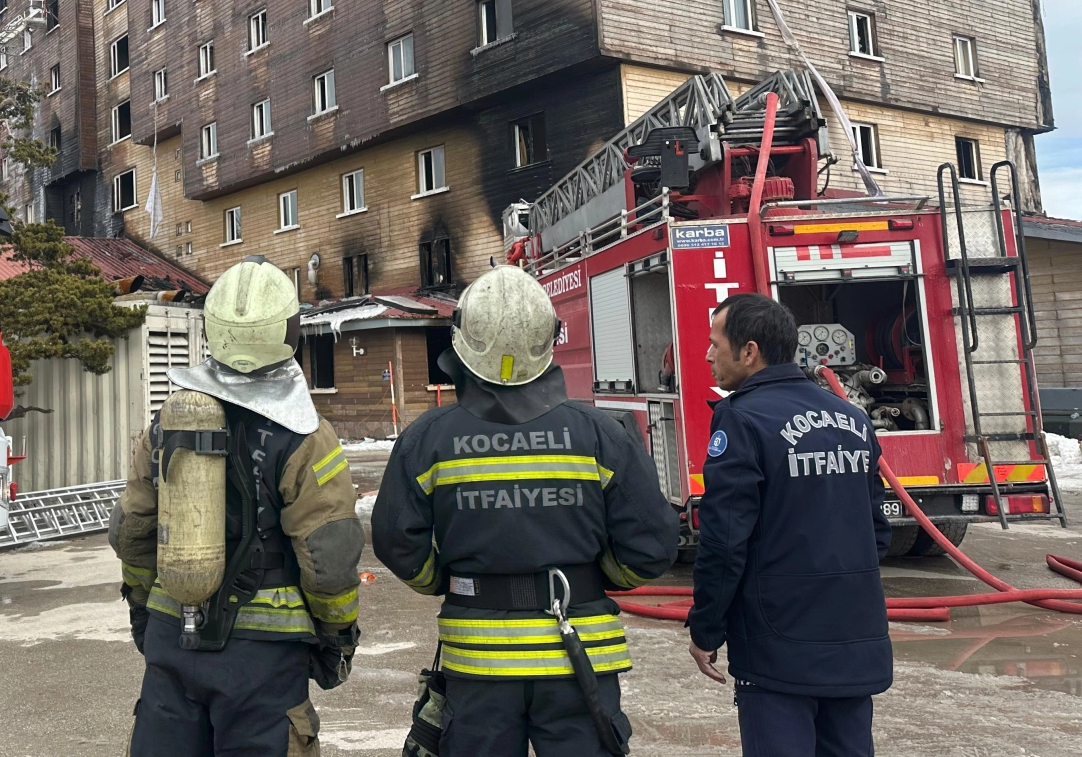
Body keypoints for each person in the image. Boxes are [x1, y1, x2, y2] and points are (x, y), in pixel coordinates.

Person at [373, 265, 679, 757]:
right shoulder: (599, 433)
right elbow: (654, 544)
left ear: (462, 342)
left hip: (478, 665)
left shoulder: (427, 439)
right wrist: (593, 574)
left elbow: (394, 540)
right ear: (549, 339)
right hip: (579, 657)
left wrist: (440, 580)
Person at [111, 257, 363, 757]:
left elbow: (133, 529)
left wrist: (143, 608)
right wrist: (336, 637)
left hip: (171, 639)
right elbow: (329, 558)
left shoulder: (169, 421)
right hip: (262, 662)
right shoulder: (307, 435)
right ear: (288, 332)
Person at [686, 292, 891, 757]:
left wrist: (706, 628)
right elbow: (876, 532)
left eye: (716, 343)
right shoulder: (853, 419)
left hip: (778, 646)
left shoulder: (741, 420)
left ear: (749, 351)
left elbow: (724, 542)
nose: (708, 354)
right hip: (855, 640)